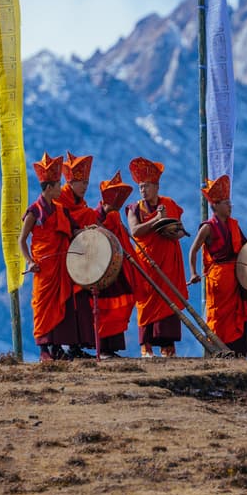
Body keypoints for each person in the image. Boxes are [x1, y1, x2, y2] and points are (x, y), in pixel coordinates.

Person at [126, 157, 188, 358]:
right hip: (146, 262)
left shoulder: (168, 204)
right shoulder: (134, 208)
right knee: (145, 303)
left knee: (168, 302)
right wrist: (157, 220)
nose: (143, 190)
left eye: (147, 186)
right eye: (141, 186)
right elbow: (135, 231)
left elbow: (180, 230)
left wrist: (171, 231)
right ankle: (146, 347)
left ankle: (167, 348)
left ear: (156, 186)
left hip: (167, 262)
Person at [18, 153, 77, 361]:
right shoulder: (34, 211)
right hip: (43, 266)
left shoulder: (61, 210)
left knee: (61, 304)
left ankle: (57, 348)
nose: (62, 189)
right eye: (59, 185)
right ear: (49, 187)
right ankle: (44, 349)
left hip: (61, 265)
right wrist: (30, 261)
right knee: (43, 305)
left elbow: (73, 231)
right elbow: (22, 239)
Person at [188, 175, 247, 356]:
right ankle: (216, 351)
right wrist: (193, 273)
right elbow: (193, 251)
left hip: (236, 279)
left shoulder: (234, 225)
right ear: (215, 205)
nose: (230, 206)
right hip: (218, 281)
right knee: (218, 317)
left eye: (230, 202)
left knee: (236, 317)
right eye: (225, 203)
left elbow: (246, 247)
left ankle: (236, 353)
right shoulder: (208, 227)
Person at [55, 151, 98, 357]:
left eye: (87, 183)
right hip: (63, 257)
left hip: (80, 259)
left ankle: (76, 346)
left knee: (81, 303)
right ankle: (60, 347)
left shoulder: (82, 204)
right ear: (70, 182)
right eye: (81, 182)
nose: (85, 187)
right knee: (66, 302)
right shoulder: (60, 199)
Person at [90, 171, 137, 357]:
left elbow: (123, 242)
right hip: (99, 271)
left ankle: (112, 348)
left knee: (121, 305)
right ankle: (102, 348)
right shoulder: (94, 216)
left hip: (117, 270)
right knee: (102, 309)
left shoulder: (116, 218)